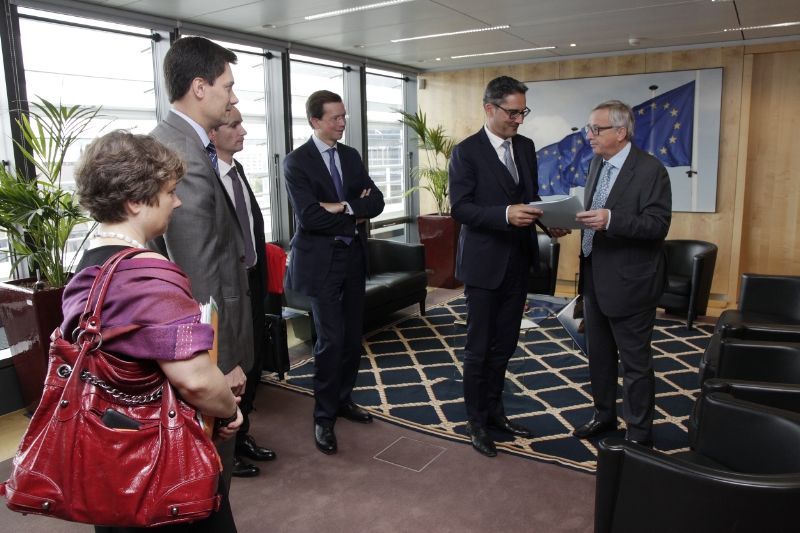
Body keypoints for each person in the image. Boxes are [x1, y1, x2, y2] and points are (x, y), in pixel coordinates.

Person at [64, 130, 242, 532]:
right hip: (160, 460)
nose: (177, 202)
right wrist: (230, 411)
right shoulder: (147, 277)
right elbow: (196, 381)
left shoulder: (88, 268)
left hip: (110, 452)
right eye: (169, 192)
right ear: (135, 201)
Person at [147, 36, 253, 487]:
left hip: (199, 341)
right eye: (228, 86)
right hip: (204, 349)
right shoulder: (183, 154)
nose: (233, 98)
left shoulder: (181, 142)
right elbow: (197, 270)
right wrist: (219, 362)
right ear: (199, 87)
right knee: (207, 479)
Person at [449, 76, 569, 457]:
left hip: (519, 262)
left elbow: (529, 198)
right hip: (483, 265)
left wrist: (548, 221)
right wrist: (504, 214)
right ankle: (476, 422)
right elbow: (460, 208)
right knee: (479, 348)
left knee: (505, 345)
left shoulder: (526, 147)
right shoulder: (466, 152)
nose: (519, 119)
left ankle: (495, 412)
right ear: (490, 109)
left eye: (523, 112)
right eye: (513, 112)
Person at [283, 90, 385, 455]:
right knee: (330, 340)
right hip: (320, 263)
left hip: (353, 257)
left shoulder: (350, 155)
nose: (342, 123)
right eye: (335, 118)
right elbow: (310, 217)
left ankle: (343, 400)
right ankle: (323, 417)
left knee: (353, 336)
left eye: (343, 117)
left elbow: (377, 202)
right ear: (315, 121)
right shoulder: (297, 162)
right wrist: (353, 211)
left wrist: (340, 206)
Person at [572, 100, 672, 448]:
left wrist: (611, 220)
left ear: (621, 132)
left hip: (632, 283)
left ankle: (639, 436)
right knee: (599, 357)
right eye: (588, 128)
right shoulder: (596, 164)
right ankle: (604, 416)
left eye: (595, 129)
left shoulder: (651, 170)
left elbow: (658, 225)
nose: (588, 135)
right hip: (593, 278)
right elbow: (593, 216)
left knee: (635, 364)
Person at [207, 105, 276, 477]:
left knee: (252, 363)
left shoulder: (238, 171)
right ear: (212, 133)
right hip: (226, 289)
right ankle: (223, 449)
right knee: (228, 367)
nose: (243, 131)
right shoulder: (206, 179)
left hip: (252, 282)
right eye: (234, 125)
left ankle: (242, 431)